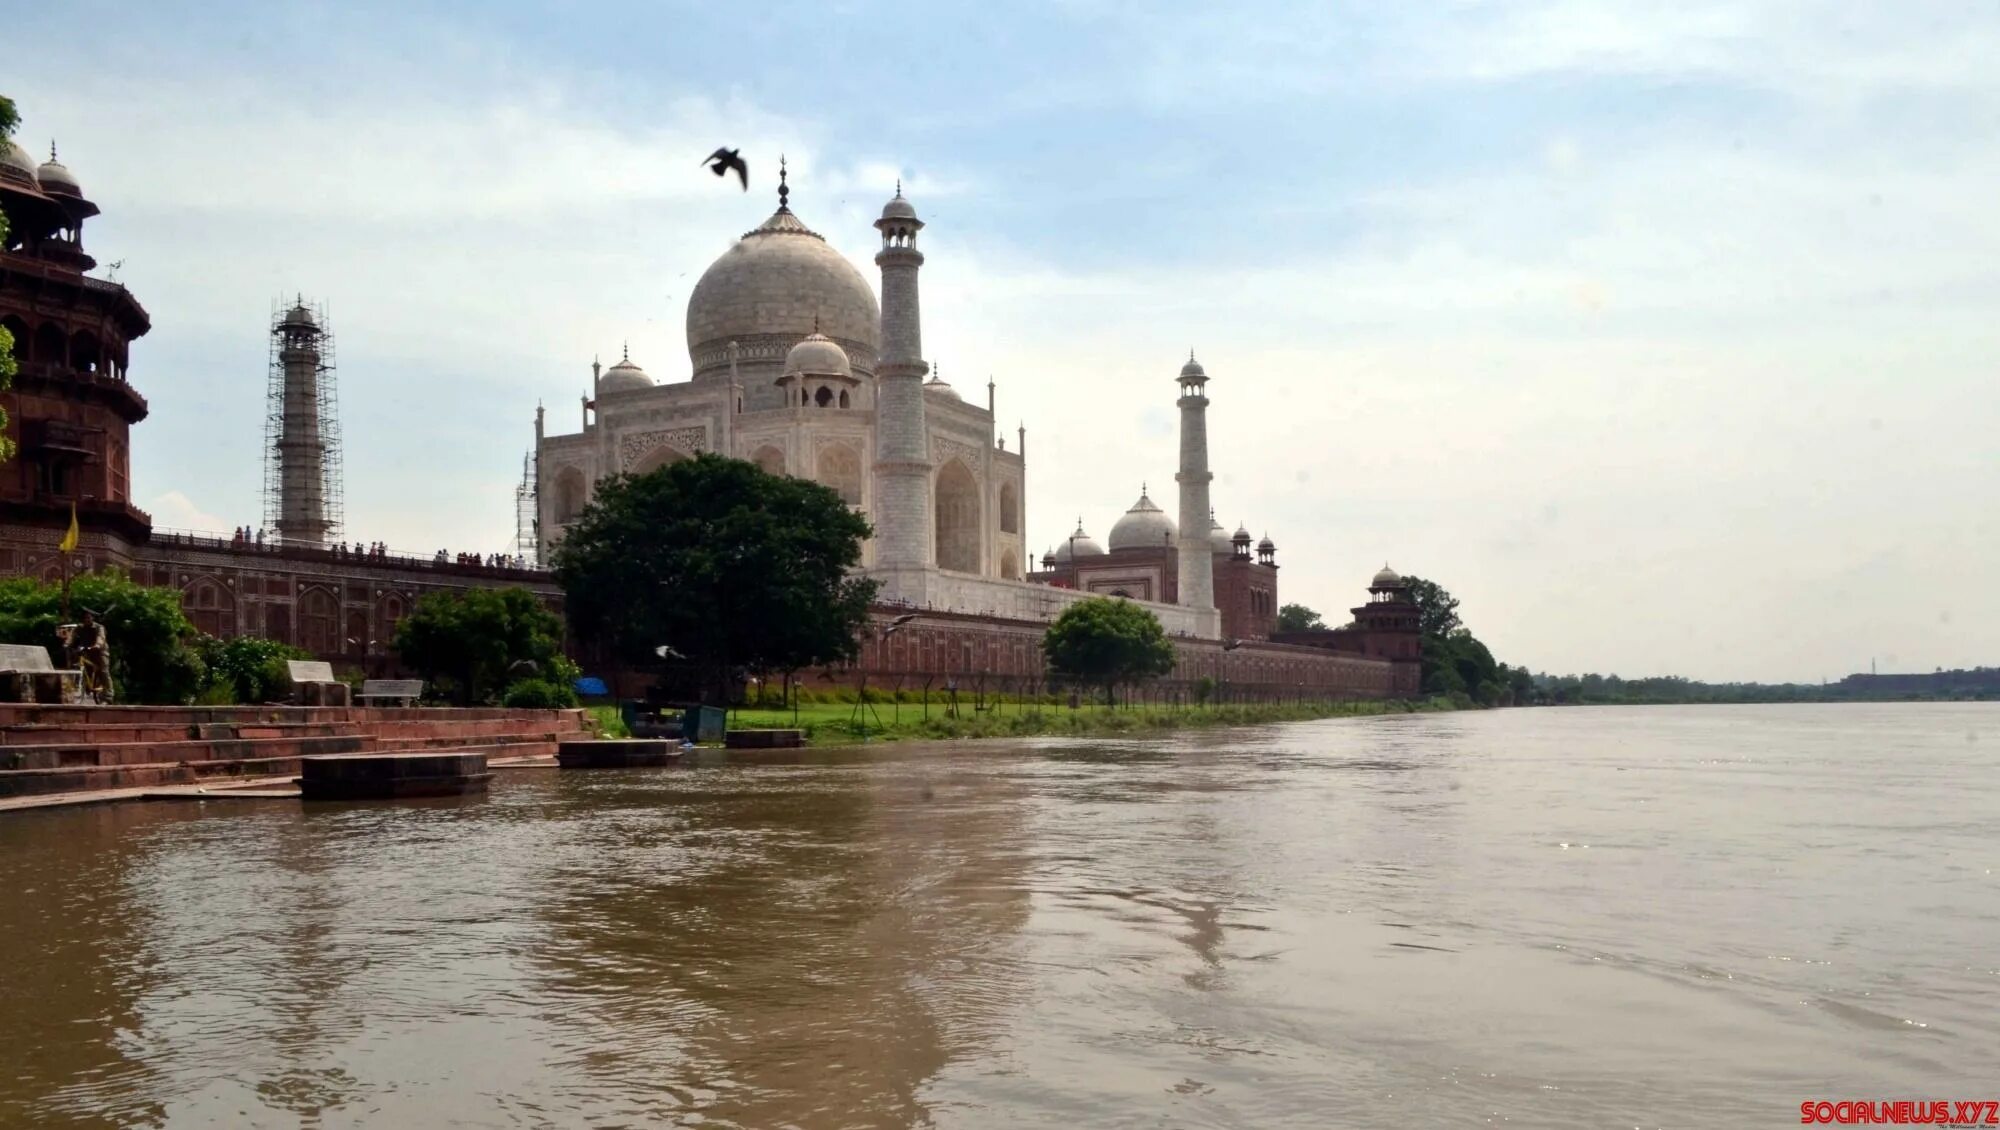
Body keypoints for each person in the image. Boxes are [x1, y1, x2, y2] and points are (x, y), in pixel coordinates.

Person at [66, 610, 113, 704]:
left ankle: (108, 696)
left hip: (100, 651)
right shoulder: (79, 627)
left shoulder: (99, 627)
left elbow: (101, 637)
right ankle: (85, 687)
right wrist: (67, 644)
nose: (87, 620)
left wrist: (97, 645)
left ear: (92, 618)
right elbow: (72, 636)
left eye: (89, 617)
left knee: (103, 671)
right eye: (85, 618)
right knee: (85, 667)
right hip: (87, 650)